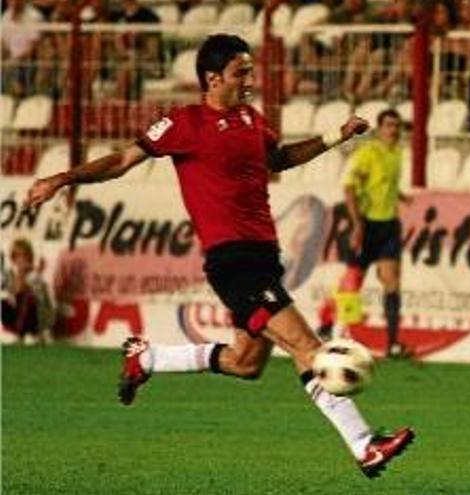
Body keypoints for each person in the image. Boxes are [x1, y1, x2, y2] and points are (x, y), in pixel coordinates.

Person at [24, 33, 414, 478]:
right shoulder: (183, 124)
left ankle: (146, 358)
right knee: (308, 347)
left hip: (264, 256)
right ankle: (365, 444)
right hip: (232, 261)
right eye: (240, 72)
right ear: (212, 79)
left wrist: (335, 136)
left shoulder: (251, 118)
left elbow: (280, 158)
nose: (250, 79)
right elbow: (121, 161)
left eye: (250, 70)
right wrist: (62, 178)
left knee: (244, 363)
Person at [317, 109, 410, 358]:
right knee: (353, 281)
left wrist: (399, 196)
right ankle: (328, 326)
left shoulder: (397, 153)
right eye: (389, 125)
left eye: (397, 125)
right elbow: (349, 188)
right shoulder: (368, 153)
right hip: (366, 225)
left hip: (389, 226)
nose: (394, 130)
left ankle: (392, 343)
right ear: (379, 129)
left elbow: (385, 184)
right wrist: (357, 225)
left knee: (392, 282)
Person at [1, 238, 55, 344]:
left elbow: (38, 300)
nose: (21, 259)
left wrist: (27, 272)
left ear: (29, 256)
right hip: (18, 316)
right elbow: (11, 292)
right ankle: (18, 333)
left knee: (25, 295)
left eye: (24, 255)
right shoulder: (10, 274)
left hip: (38, 317)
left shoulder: (35, 274)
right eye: (17, 255)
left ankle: (33, 334)